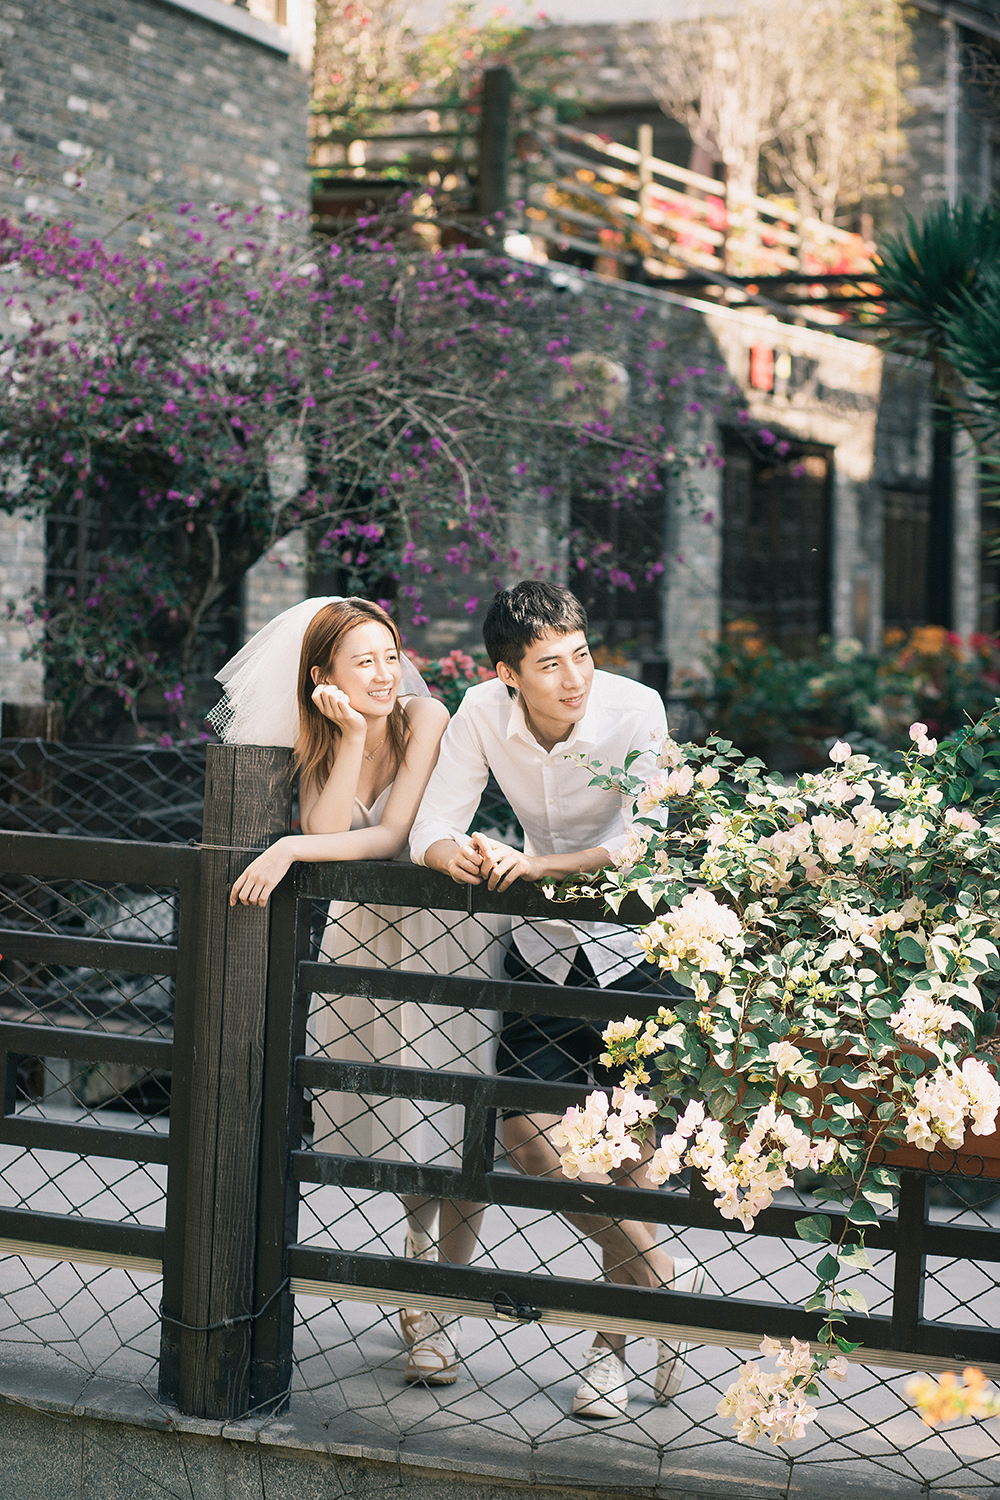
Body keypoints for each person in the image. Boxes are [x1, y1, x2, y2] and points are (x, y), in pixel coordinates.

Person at [409, 580, 705, 1420]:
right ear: (508, 673)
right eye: (549, 664)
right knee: (527, 1132)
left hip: (642, 949)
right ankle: (665, 1284)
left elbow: (645, 838)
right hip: (546, 953)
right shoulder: (479, 712)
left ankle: (611, 1351)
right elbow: (431, 825)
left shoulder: (635, 708)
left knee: (626, 1156)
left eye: (581, 655)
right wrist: (460, 857)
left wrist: (537, 867)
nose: (574, 677)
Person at [215, 596, 500, 1388]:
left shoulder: (425, 717)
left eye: (389, 656)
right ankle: (417, 1254)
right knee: (395, 1113)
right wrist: (347, 738)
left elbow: (390, 835)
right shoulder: (323, 737)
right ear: (324, 677)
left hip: (445, 929)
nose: (383, 675)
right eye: (362, 662)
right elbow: (333, 830)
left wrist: (288, 850)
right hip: (366, 932)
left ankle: (440, 1304)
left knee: (456, 1113)